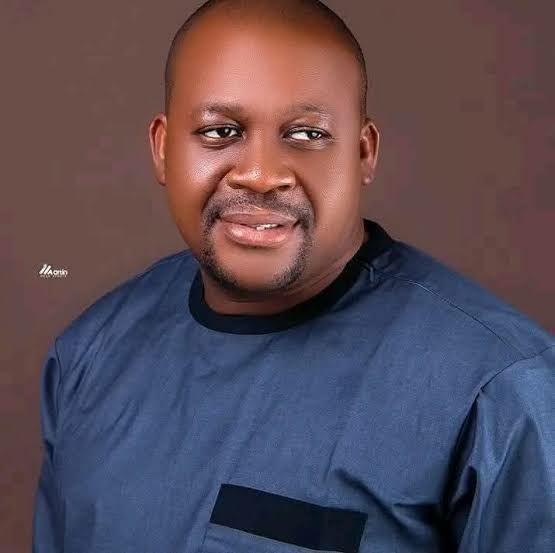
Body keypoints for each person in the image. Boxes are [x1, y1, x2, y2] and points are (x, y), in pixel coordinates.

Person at [32, 0, 554, 552]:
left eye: (306, 135)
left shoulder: (498, 392)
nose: (261, 174)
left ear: (363, 153)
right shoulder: (87, 355)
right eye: (221, 131)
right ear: (163, 150)